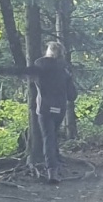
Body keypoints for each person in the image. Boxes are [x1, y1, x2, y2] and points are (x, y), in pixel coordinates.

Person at [20, 40, 76, 183]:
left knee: (48, 138)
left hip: (44, 109)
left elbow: (24, 74)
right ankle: (56, 164)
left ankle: (52, 172)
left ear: (48, 51)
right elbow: (72, 96)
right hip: (60, 109)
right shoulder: (64, 70)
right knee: (52, 137)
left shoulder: (40, 66)